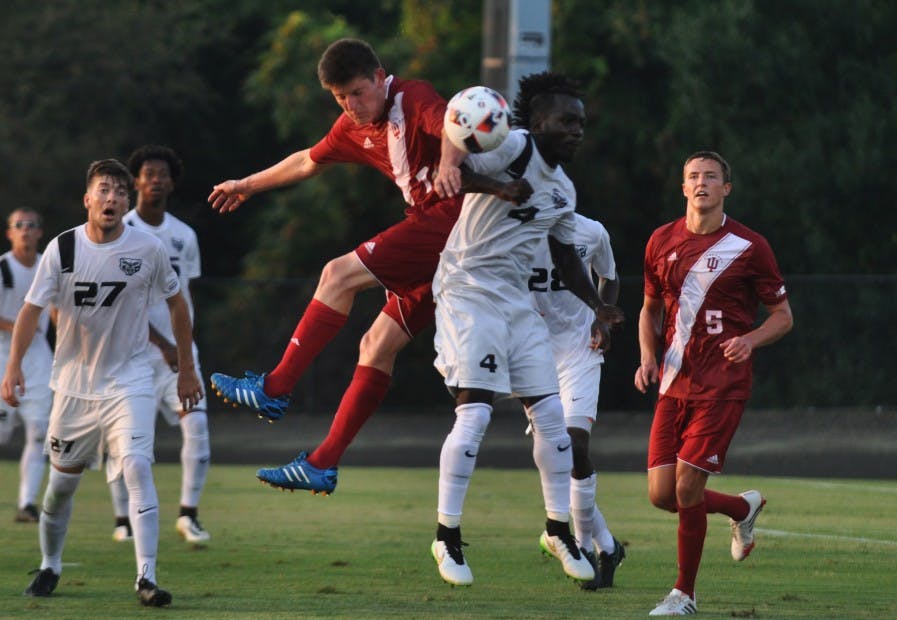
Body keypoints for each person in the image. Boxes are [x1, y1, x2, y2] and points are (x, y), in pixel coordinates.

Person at [207, 38, 468, 495]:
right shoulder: (353, 127)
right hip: (440, 242)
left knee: (337, 273)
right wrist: (247, 185)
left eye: (358, 93)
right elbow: (307, 161)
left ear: (379, 76)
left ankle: (276, 386)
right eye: (340, 98)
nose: (351, 106)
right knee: (376, 345)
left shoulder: (413, 96)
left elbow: (453, 126)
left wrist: (449, 162)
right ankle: (322, 463)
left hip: (454, 223)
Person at [429, 72, 624, 587]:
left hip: (516, 300)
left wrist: (597, 305)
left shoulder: (563, 189)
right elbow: (451, 163)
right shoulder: (510, 148)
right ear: (537, 123)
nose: (577, 130)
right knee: (475, 412)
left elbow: (563, 254)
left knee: (552, 417)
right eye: (566, 120)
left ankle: (559, 529)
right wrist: (492, 185)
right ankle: (446, 537)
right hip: (468, 290)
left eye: (581, 122)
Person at [3, 159, 202, 607]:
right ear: (87, 199)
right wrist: (13, 366)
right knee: (61, 487)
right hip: (73, 387)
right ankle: (50, 564)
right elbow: (32, 310)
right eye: (103, 190)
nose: (111, 198)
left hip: (128, 380)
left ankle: (146, 578)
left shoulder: (147, 249)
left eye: (118, 192)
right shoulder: (63, 248)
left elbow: (178, 306)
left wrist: (186, 367)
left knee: (137, 467)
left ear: (126, 201)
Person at [635, 151, 793, 616]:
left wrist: (750, 340)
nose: (701, 182)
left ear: (727, 187)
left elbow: (783, 316)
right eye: (692, 176)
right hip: (673, 382)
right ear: (682, 188)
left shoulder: (749, 246)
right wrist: (647, 357)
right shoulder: (660, 241)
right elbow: (649, 309)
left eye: (710, 176)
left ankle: (684, 593)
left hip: (723, 384)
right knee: (662, 495)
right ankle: (741, 510)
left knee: (686, 490)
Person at [105, 145, 211, 545]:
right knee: (126, 442)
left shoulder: (185, 236)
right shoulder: (120, 232)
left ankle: (189, 515)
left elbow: (185, 295)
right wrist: (165, 344)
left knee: (197, 424)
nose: (155, 180)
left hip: (181, 354)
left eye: (162, 174)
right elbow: (119, 303)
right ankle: (123, 518)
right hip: (130, 354)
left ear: (171, 182)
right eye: (148, 173)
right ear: (136, 182)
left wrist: (184, 348)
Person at [527, 212, 626, 590]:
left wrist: (601, 322)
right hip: (533, 357)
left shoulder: (592, 232)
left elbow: (611, 277)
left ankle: (581, 546)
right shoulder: (512, 230)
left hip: (580, 350)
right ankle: (608, 545)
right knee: (557, 455)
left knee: (575, 446)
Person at [0, 207, 53, 524]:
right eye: (19, 225)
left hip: (38, 360)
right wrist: (18, 327)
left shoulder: (50, 265)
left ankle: (27, 503)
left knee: (38, 432)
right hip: (4, 356)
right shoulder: (3, 268)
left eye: (31, 225)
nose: (25, 230)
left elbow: (59, 307)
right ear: (10, 233)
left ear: (39, 232)